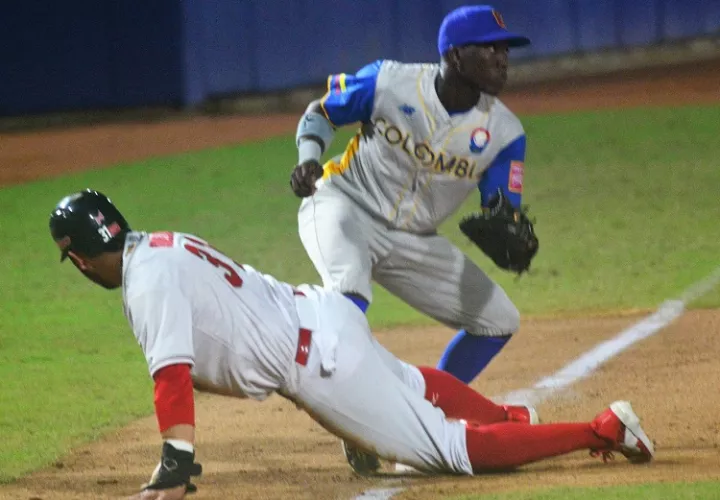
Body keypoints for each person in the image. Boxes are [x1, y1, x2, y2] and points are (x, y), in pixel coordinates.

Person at [49, 189, 653, 500]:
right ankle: (512, 416)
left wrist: (176, 464)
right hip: (322, 314)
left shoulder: (145, 282)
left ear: (77, 258)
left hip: (321, 367)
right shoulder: (160, 244)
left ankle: (601, 430)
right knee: (413, 384)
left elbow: (171, 377)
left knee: (450, 453)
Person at [291, 5, 536, 389]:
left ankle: (425, 406)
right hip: (342, 206)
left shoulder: (505, 134)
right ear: (455, 55)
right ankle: (350, 412)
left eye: (505, 50)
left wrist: (510, 228)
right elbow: (320, 113)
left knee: (499, 319)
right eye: (491, 50)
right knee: (348, 289)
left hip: (413, 241)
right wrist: (308, 159)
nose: (502, 59)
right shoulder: (389, 82)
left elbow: (503, 207)